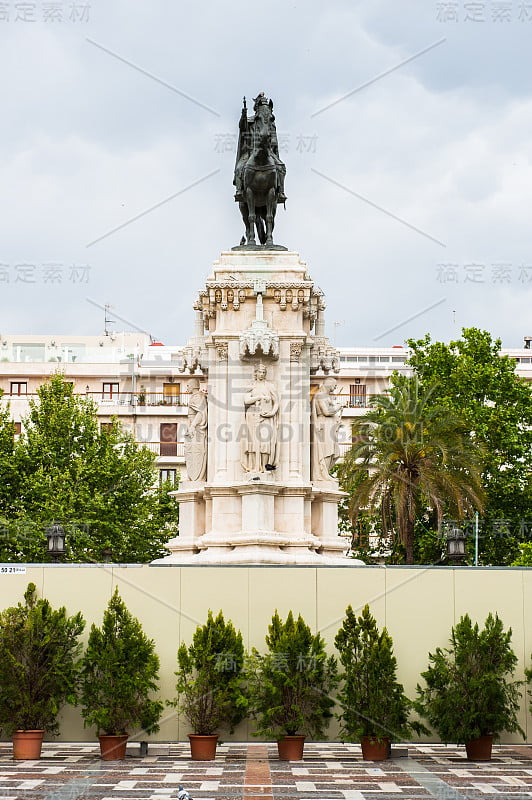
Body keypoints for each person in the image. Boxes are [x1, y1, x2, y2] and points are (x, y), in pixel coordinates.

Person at [241, 364, 279, 473]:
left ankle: (263, 467)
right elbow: (246, 400)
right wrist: (260, 397)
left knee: (265, 443)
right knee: (252, 442)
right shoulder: (251, 386)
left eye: (263, 372)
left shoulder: (270, 386)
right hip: (252, 416)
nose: (261, 374)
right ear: (256, 373)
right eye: (260, 372)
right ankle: (253, 467)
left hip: (266, 417)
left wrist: (272, 412)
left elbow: (276, 402)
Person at [311, 377, 342, 482]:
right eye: (335, 385)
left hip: (329, 424)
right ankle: (323, 474)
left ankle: (326, 473)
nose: (335, 387)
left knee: (333, 450)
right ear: (329, 384)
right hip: (324, 424)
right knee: (327, 450)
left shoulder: (326, 396)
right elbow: (326, 412)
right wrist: (338, 407)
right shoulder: (320, 395)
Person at [184, 378, 207, 482]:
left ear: (193, 385)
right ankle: (192, 476)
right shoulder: (195, 396)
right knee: (190, 451)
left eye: (188, 385)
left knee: (198, 452)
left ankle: (198, 477)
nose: (187, 387)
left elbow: (201, 412)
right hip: (192, 429)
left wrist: (193, 425)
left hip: (197, 429)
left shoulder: (198, 397)